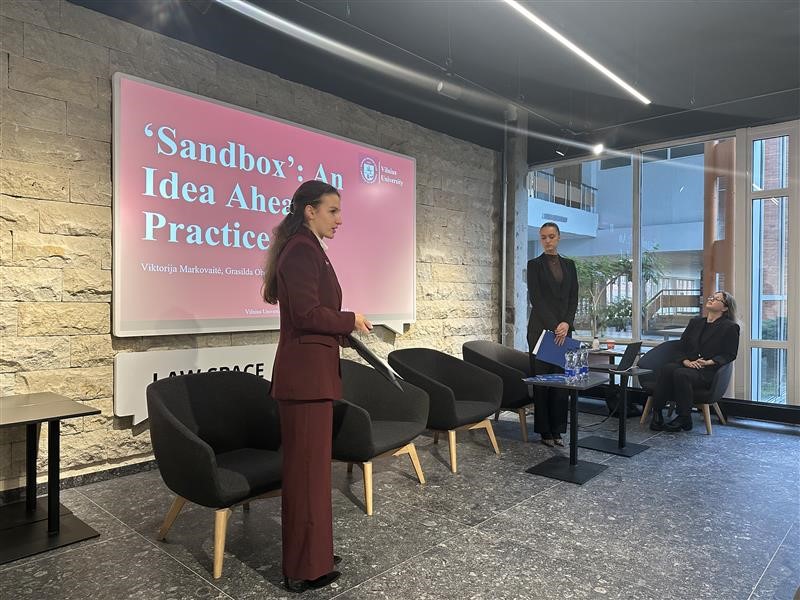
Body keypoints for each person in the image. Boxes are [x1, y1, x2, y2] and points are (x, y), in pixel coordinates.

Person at [262, 180, 372, 593]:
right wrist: (349, 320)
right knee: (306, 476)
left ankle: (316, 555)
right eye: (332, 211)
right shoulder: (301, 251)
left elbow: (312, 313)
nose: (339, 220)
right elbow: (307, 314)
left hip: (313, 377)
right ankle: (303, 569)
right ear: (309, 211)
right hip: (305, 381)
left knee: (312, 474)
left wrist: (343, 329)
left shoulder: (309, 248)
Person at [649, 291, 740, 433]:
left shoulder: (730, 327)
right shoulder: (696, 322)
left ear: (725, 308)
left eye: (716, 299)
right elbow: (681, 346)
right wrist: (685, 361)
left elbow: (730, 354)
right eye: (711, 297)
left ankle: (684, 417)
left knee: (681, 374)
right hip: (689, 364)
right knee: (667, 368)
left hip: (707, 371)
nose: (711, 299)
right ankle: (657, 412)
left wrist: (708, 362)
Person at [526, 222, 578, 447]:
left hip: (564, 332)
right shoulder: (534, 265)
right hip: (541, 331)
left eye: (551, 236)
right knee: (543, 382)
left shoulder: (570, 265)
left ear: (558, 237)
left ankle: (558, 430)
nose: (547, 241)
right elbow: (536, 299)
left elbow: (574, 298)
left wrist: (566, 323)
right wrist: (555, 325)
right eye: (543, 237)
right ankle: (545, 431)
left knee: (561, 383)